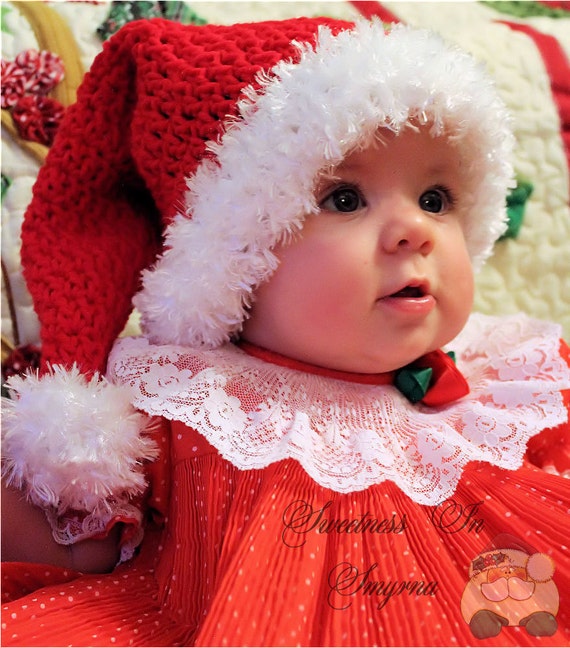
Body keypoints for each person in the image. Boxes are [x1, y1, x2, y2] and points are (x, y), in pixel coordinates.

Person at [1, 15, 569, 647]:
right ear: (233, 261)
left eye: (435, 198)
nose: (417, 229)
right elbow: (74, 537)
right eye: (345, 199)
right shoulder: (196, 401)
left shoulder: (507, 385)